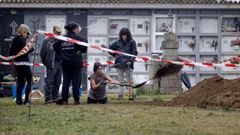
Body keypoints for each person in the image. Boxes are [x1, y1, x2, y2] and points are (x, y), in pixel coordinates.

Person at [54, 22, 87, 105]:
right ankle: (76, 100)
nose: (79, 30)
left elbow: (55, 46)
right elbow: (85, 45)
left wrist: (61, 54)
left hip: (65, 63)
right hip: (76, 63)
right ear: (75, 29)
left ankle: (65, 100)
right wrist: (80, 50)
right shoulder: (78, 38)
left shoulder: (62, 38)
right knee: (76, 82)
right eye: (78, 28)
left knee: (66, 82)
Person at [108, 28, 138, 100]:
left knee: (130, 80)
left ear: (128, 35)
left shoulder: (132, 42)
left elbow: (135, 53)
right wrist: (115, 55)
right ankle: (120, 95)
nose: (124, 37)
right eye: (122, 36)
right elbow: (109, 49)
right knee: (120, 80)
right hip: (119, 64)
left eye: (125, 35)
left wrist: (130, 61)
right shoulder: (117, 42)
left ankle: (131, 95)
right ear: (120, 36)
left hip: (128, 65)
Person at [9, 24, 34, 105]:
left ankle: (19, 100)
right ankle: (26, 100)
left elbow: (11, 53)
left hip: (17, 63)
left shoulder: (14, 39)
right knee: (30, 80)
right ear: (24, 31)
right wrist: (31, 50)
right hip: (24, 63)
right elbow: (23, 53)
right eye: (27, 34)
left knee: (21, 82)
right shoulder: (22, 39)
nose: (27, 36)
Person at [40, 26, 62, 104]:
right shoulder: (47, 41)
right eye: (57, 32)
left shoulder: (62, 40)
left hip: (60, 63)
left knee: (58, 81)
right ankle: (48, 98)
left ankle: (55, 97)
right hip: (51, 63)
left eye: (60, 32)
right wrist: (46, 63)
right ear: (53, 31)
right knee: (49, 81)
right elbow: (42, 53)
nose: (59, 33)